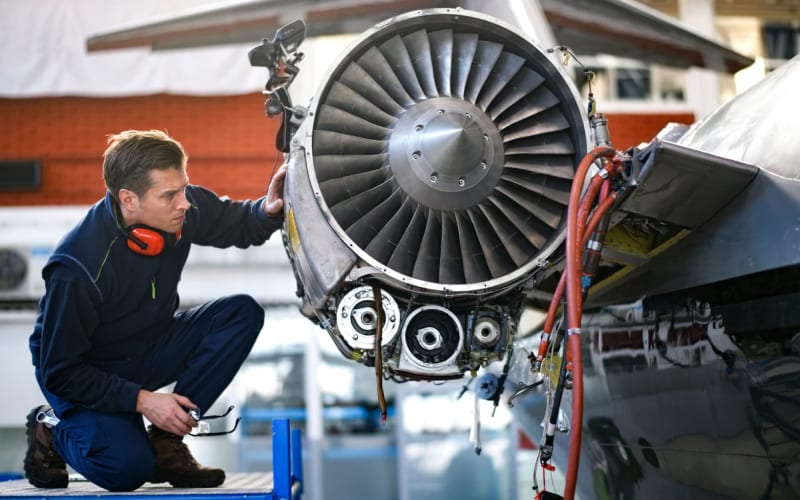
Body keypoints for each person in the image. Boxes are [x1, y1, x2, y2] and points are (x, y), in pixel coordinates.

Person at [24, 129, 288, 492]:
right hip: (86, 373)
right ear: (129, 200)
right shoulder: (78, 266)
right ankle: (50, 427)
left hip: (148, 347)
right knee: (127, 470)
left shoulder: (180, 210)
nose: (184, 203)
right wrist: (143, 401)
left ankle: (166, 441)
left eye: (183, 189)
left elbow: (240, 223)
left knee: (240, 314)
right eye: (169, 195)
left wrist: (268, 209)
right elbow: (60, 371)